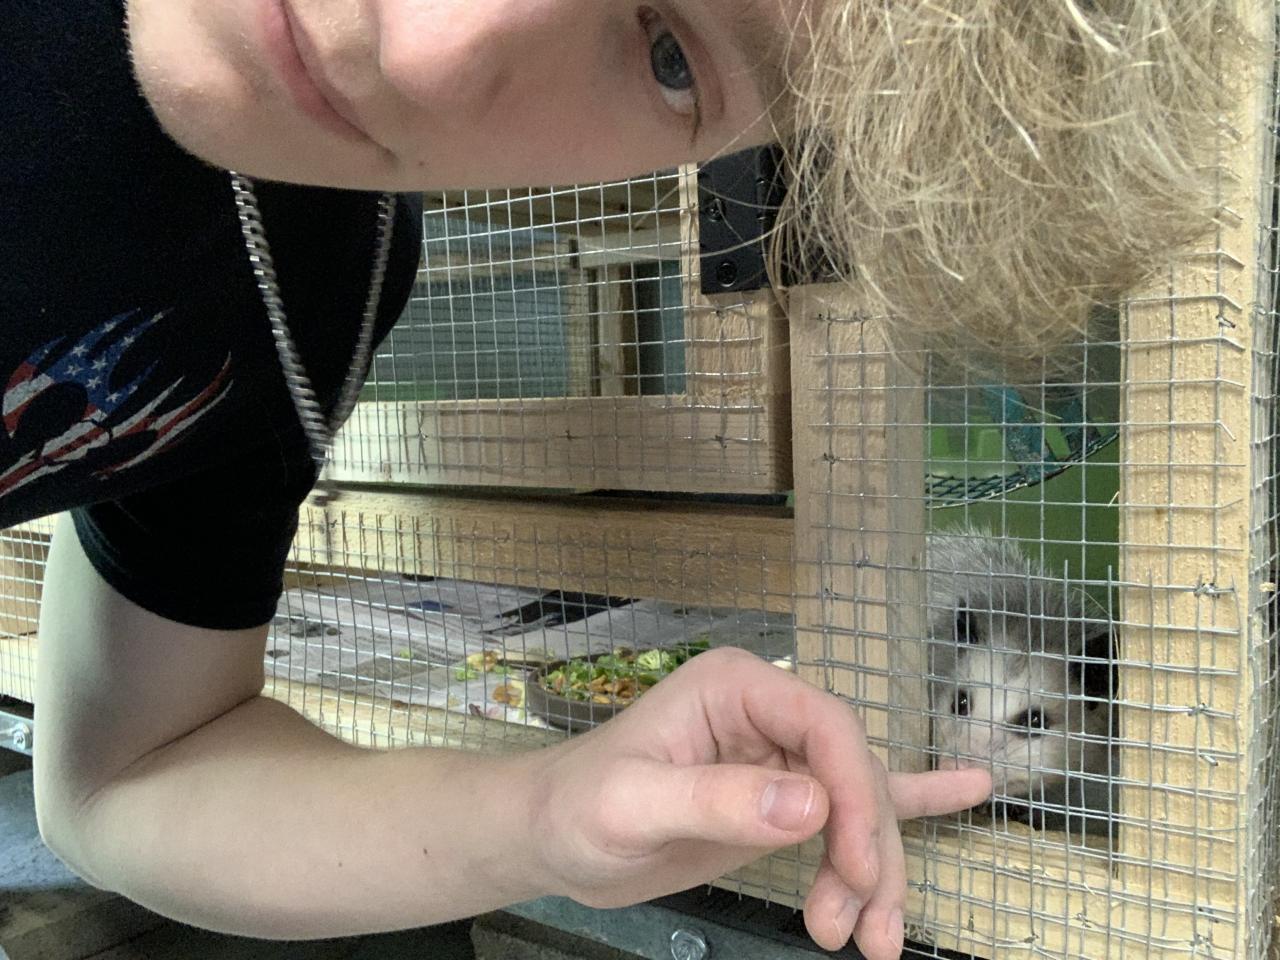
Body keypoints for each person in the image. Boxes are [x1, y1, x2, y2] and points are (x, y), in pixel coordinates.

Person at [4, 1, 1229, 958]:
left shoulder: (304, 281)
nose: (430, 45)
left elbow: (126, 774)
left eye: (668, 54)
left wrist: (544, 818)